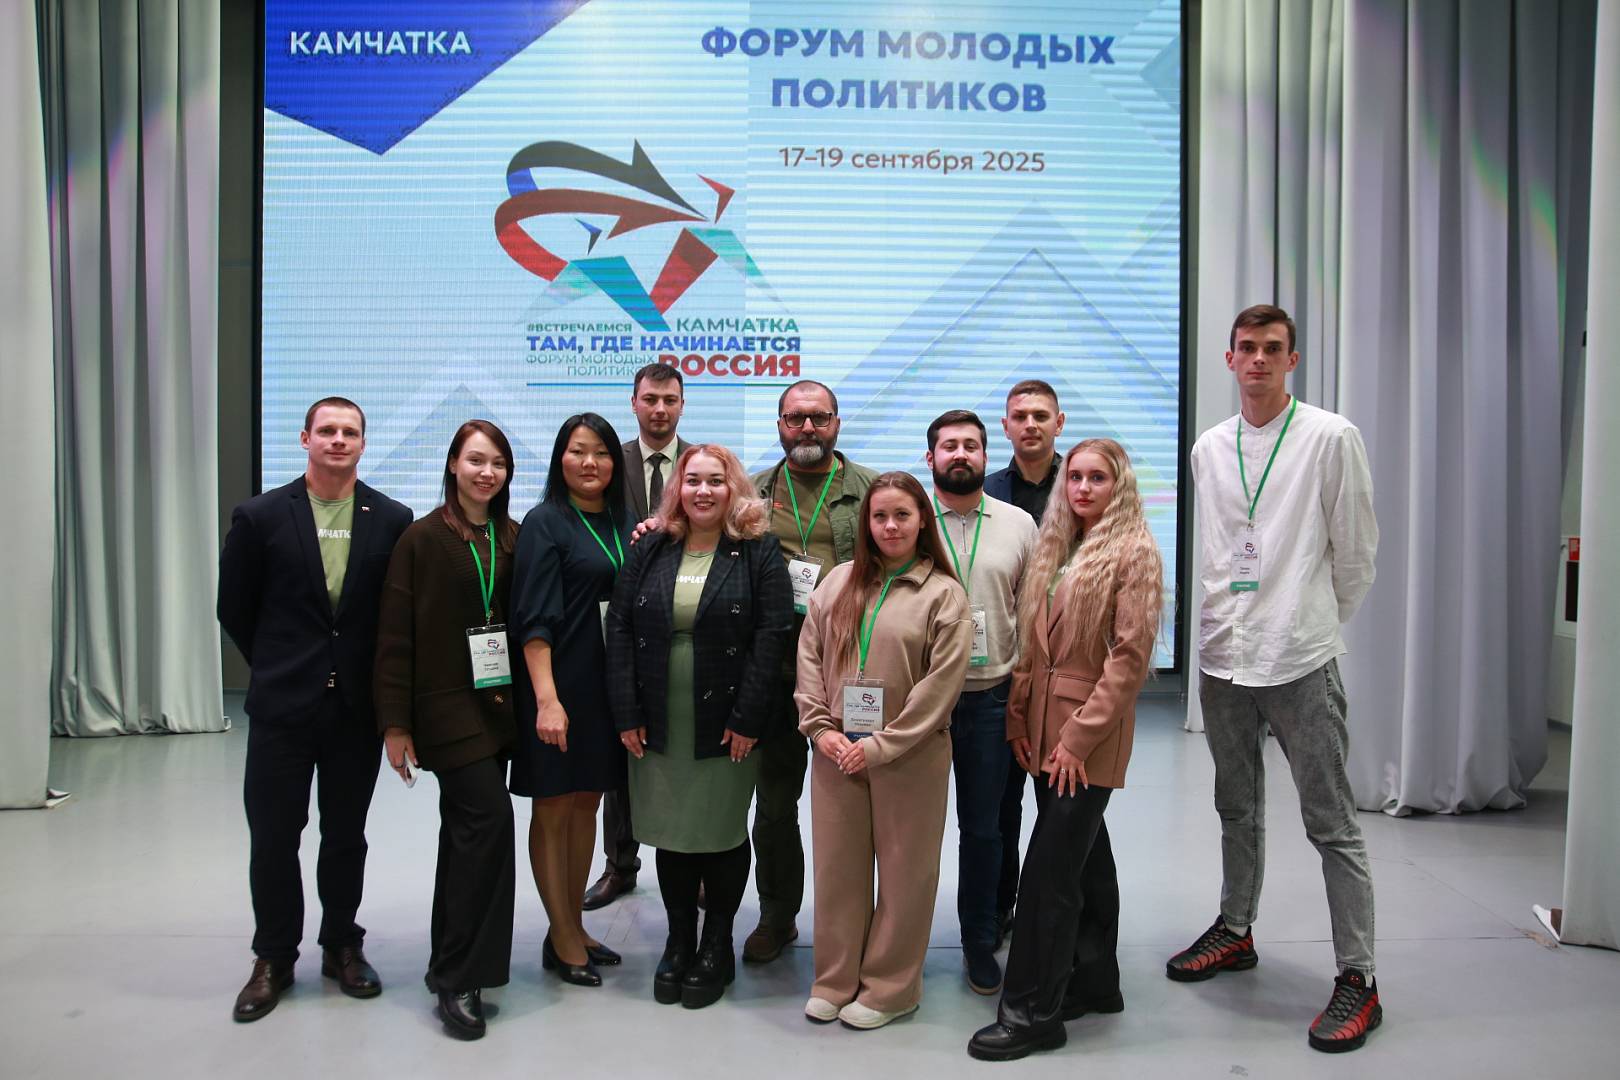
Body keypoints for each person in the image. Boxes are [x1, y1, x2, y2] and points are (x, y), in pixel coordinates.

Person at [1168, 304, 1381, 1054]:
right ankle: (1236, 930)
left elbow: (1356, 552)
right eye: (1246, 348)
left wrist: (1307, 617)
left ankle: (1358, 976)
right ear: (1228, 359)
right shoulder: (1209, 446)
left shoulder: (1330, 436)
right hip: (1223, 654)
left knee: (1331, 821)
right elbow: (1220, 548)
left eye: (1272, 348)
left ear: (1292, 359)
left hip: (1298, 656)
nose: (1258, 359)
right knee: (1236, 806)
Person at [967, 438, 1163, 1061]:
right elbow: (1034, 645)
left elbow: (1129, 660)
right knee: (1085, 854)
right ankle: (1096, 980)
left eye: (1097, 478)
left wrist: (1078, 739)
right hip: (1044, 730)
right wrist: (1019, 718)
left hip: (1087, 737)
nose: (1082, 488)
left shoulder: (1134, 552)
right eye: (1074, 477)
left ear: (1119, 485)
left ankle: (1033, 1013)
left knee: (1048, 874)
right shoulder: (1058, 545)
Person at [217, 397, 412, 1022]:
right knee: (275, 836)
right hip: (283, 708)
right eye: (327, 430)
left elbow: (393, 617)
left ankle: (341, 945)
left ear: (363, 443)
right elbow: (234, 607)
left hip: (354, 709)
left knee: (346, 835)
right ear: (305, 439)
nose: (338, 440)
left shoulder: (392, 518)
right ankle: (273, 956)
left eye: (350, 431)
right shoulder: (261, 516)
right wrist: (280, 664)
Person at [605, 445, 792, 1008]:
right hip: (659, 717)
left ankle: (717, 944)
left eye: (716, 481)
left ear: (734, 489)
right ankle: (679, 939)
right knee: (675, 832)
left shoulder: (757, 550)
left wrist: (749, 717)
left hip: (727, 719)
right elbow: (620, 625)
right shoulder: (652, 546)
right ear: (677, 488)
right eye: (693, 481)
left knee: (720, 831)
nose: (703, 491)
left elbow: (773, 634)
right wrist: (626, 711)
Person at [796, 472, 973, 1030]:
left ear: (922, 521)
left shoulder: (943, 594)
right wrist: (820, 729)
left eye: (902, 515)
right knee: (838, 871)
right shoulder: (838, 582)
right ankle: (835, 979)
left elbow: (940, 688)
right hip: (835, 753)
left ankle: (892, 988)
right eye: (879, 516)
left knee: (904, 873)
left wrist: (881, 745)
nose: (890, 526)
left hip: (908, 756)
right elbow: (809, 656)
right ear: (866, 524)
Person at [373, 420, 520, 1040]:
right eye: (476, 461)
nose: (487, 473)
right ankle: (459, 976)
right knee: (487, 824)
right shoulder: (421, 538)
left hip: (499, 707)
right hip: (444, 708)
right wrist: (394, 723)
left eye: (498, 463)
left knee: (467, 838)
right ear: (453, 464)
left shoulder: (512, 537)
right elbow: (395, 635)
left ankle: (454, 963)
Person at [743, 380, 878, 964]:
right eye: (796, 418)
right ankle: (778, 916)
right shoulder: (751, 494)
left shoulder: (871, 490)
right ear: (779, 424)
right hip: (776, 671)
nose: (807, 429)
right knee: (774, 806)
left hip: (851, 671)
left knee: (854, 806)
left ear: (837, 424)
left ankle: (856, 925)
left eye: (819, 418)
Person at [509, 413, 632, 987]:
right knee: (554, 807)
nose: (590, 462)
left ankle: (575, 926)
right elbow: (533, 619)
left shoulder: (621, 520)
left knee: (587, 804)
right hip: (558, 687)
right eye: (578, 451)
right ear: (560, 458)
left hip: (606, 688)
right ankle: (560, 934)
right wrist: (546, 700)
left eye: (601, 452)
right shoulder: (544, 522)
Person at [925, 410, 1038, 996]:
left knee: (984, 829)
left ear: (985, 456)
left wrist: (1022, 694)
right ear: (931, 459)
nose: (960, 454)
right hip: (922, 702)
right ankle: (898, 939)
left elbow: (1033, 612)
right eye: (949, 446)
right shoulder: (910, 519)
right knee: (910, 830)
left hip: (992, 696)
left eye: (971, 445)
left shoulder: (1019, 524)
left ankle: (979, 939)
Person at [587, 363, 694, 911]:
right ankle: (620, 865)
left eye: (669, 400)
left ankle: (695, 863)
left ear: (682, 404)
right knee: (623, 747)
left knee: (689, 748)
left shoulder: (702, 464)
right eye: (650, 399)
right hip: (622, 618)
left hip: (689, 621)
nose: (659, 409)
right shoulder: (609, 461)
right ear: (633, 403)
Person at [983, 379, 1068, 945]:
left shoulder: (1081, 483)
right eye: (1020, 416)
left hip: (1065, 669)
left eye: (1041, 415)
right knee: (1002, 803)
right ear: (1006, 426)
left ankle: (1057, 914)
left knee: (1063, 804)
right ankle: (1000, 908)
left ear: (1059, 423)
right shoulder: (987, 491)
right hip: (1003, 667)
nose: (1030, 424)